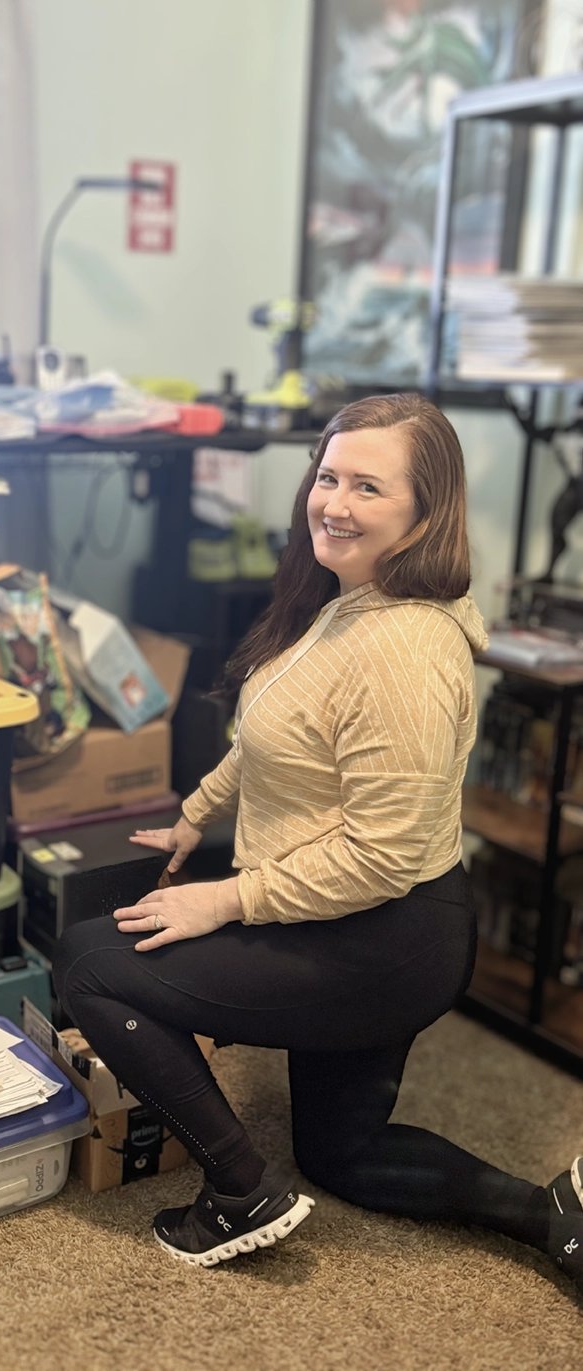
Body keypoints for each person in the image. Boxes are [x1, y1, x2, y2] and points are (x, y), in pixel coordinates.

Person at [52, 392, 582, 1279]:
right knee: (345, 1156)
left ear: (425, 511)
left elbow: (377, 856)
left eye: (368, 486)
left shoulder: (401, 652)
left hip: (381, 930)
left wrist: (223, 899)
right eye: (328, 476)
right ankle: (551, 1216)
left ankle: (238, 1190)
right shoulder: (350, 600)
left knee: (92, 962)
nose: (334, 502)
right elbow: (277, 738)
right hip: (359, 911)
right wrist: (197, 811)